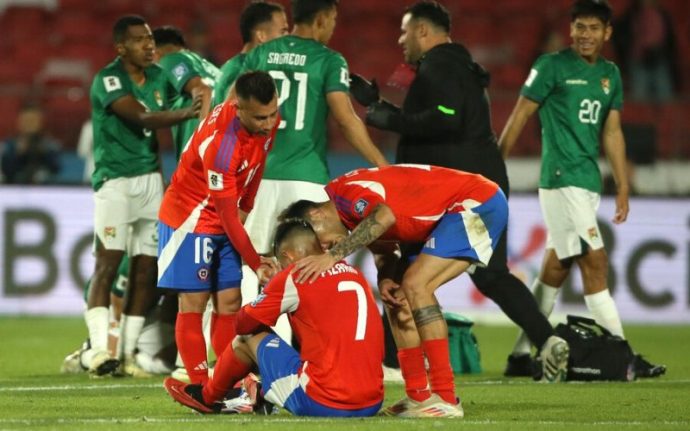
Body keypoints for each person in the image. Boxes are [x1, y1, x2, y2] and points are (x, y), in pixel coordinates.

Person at [350, 0, 563, 379]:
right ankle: (548, 341)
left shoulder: (442, 64)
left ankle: (389, 363)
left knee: (402, 270)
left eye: (405, 31)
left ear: (422, 31)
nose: (400, 40)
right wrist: (378, 104)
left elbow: (447, 117)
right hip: (476, 187)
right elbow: (442, 117)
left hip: (453, 194)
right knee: (491, 274)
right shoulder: (453, 65)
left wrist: (392, 119)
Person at [282, 164, 568, 417]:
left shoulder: (346, 193)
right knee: (397, 300)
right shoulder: (349, 219)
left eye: (321, 242)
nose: (327, 249)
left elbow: (383, 217)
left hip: (476, 202)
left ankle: (445, 397)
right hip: (444, 217)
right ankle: (418, 396)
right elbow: (385, 251)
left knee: (416, 285)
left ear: (317, 214)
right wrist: (384, 278)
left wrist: (331, 257)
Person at [498, 0, 665, 378]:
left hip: (587, 181)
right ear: (571, 29)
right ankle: (624, 354)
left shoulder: (610, 74)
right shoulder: (551, 66)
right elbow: (521, 113)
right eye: (579, 27)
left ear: (607, 33)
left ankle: (521, 355)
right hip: (560, 179)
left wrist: (622, 185)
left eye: (593, 28)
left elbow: (612, 130)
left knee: (555, 269)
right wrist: (495, 163)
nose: (584, 35)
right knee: (596, 261)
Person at [234, 0, 389, 342]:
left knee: (254, 258)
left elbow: (236, 107)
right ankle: (307, 350)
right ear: (321, 19)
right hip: (306, 178)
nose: (333, 26)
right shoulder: (329, 60)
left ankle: (246, 347)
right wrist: (381, 164)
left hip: (258, 176)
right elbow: (346, 119)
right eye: (333, 19)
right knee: (309, 263)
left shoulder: (262, 52)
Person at [163, 219, 384, 417]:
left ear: (287, 256)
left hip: (324, 402)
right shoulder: (354, 273)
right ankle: (259, 392)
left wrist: (271, 289)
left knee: (247, 337)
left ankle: (208, 397)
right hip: (373, 401)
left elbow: (242, 324)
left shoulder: (295, 274)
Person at [83, 14, 201, 378]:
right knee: (108, 263)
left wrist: (199, 89)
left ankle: (128, 353)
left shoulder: (159, 77)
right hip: (115, 182)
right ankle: (99, 349)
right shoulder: (109, 79)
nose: (148, 45)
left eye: (150, 39)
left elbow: (191, 85)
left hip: (150, 182)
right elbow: (143, 118)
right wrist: (187, 111)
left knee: (147, 269)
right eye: (138, 40)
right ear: (121, 47)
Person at [157, 71, 280, 385]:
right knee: (194, 302)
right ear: (237, 107)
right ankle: (200, 385)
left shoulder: (266, 121)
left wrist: (248, 206)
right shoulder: (222, 145)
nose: (268, 123)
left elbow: (258, 165)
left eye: (272, 114)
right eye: (260, 117)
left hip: (223, 218)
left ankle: (227, 381)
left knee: (229, 303)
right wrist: (257, 263)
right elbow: (226, 218)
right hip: (191, 220)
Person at [61, 254, 177, 376]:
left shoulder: (180, 256)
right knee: (112, 360)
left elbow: (172, 301)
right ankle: (85, 357)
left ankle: (134, 358)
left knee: (169, 363)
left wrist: (170, 330)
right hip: (110, 305)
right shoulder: (141, 256)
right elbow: (118, 307)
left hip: (148, 308)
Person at [153, 26, 221, 161]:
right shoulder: (211, 68)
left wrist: (204, 144)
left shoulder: (170, 60)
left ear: (156, 52)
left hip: (200, 157)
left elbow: (203, 91)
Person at [213, 1, 289, 107]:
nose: (288, 37)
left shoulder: (235, 65)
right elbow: (230, 115)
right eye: (283, 31)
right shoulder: (239, 70)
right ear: (261, 36)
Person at [613, 0, 678, 103]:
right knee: (640, 96)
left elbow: (669, 39)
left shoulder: (661, 14)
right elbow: (622, 36)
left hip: (659, 58)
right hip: (638, 58)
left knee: (665, 96)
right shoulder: (631, 14)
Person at [1, 104, 61, 184]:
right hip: (14, 188)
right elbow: (6, 171)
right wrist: (17, 153)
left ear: (40, 122)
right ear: (19, 122)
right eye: (26, 121)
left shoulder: (50, 145)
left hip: (44, 189)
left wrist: (45, 152)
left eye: (33, 120)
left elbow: (56, 170)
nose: (29, 124)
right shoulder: (9, 144)